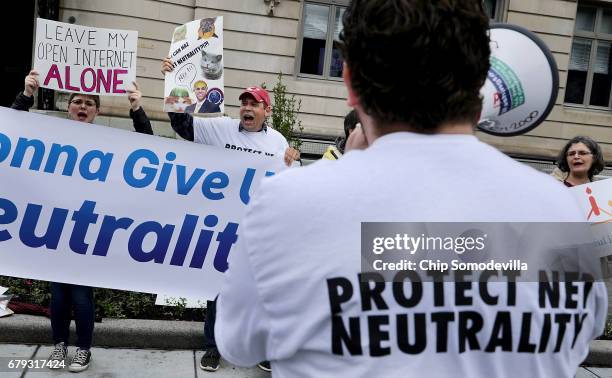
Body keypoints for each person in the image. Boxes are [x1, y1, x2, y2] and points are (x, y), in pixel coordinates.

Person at [214, 1, 608, 377]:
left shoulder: (286, 202)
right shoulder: (557, 205)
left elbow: (239, 344)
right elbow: (579, 335)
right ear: (479, 77)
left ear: (350, 82)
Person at [161, 59, 300, 373]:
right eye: (244, 104)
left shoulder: (277, 142)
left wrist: (292, 160)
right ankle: (213, 347)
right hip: (221, 228)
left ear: (267, 112)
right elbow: (181, 125)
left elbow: (289, 183)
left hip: (259, 231)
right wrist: (174, 82)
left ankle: (260, 348)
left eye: (255, 104)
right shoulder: (220, 127)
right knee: (217, 289)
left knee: (260, 291)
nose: (247, 108)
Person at [11, 70, 152, 373]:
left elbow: (150, 148)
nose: (83, 106)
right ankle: (59, 346)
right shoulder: (51, 135)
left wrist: (137, 109)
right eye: (78, 101)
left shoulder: (109, 141)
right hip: (55, 225)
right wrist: (26, 95)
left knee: (81, 292)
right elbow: (8, 129)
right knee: (59, 291)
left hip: (88, 228)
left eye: (90, 102)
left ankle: (84, 349)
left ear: (97, 111)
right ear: (68, 107)